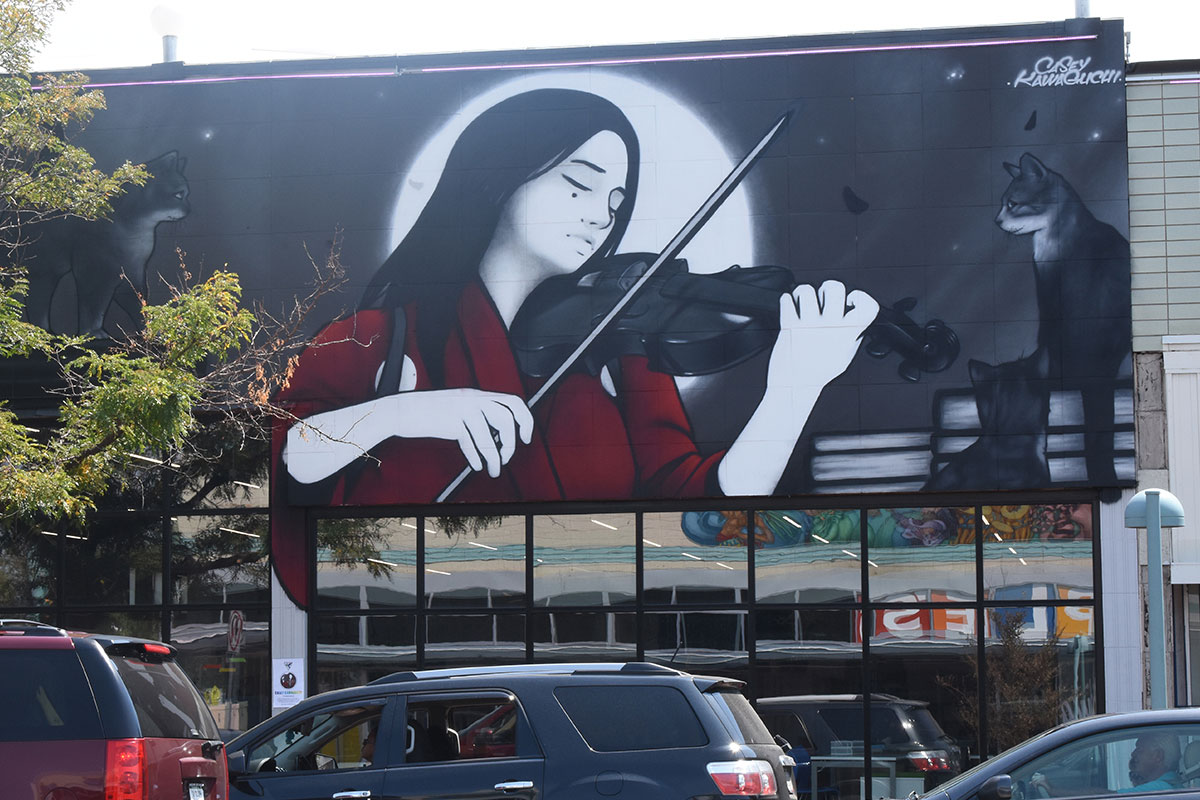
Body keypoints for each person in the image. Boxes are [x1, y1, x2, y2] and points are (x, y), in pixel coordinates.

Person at [277, 88, 878, 506]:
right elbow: (288, 460)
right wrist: (407, 413)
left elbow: (707, 496)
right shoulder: (378, 336)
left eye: (617, 203)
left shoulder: (621, 343)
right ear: (500, 175)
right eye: (579, 184)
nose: (601, 219)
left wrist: (794, 390)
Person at [1030, 732, 1182, 796]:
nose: (1133, 754)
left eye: (1140, 749)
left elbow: (1107, 797)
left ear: (1158, 756)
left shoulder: (1161, 790)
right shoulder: (1170, 786)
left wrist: (1054, 790)